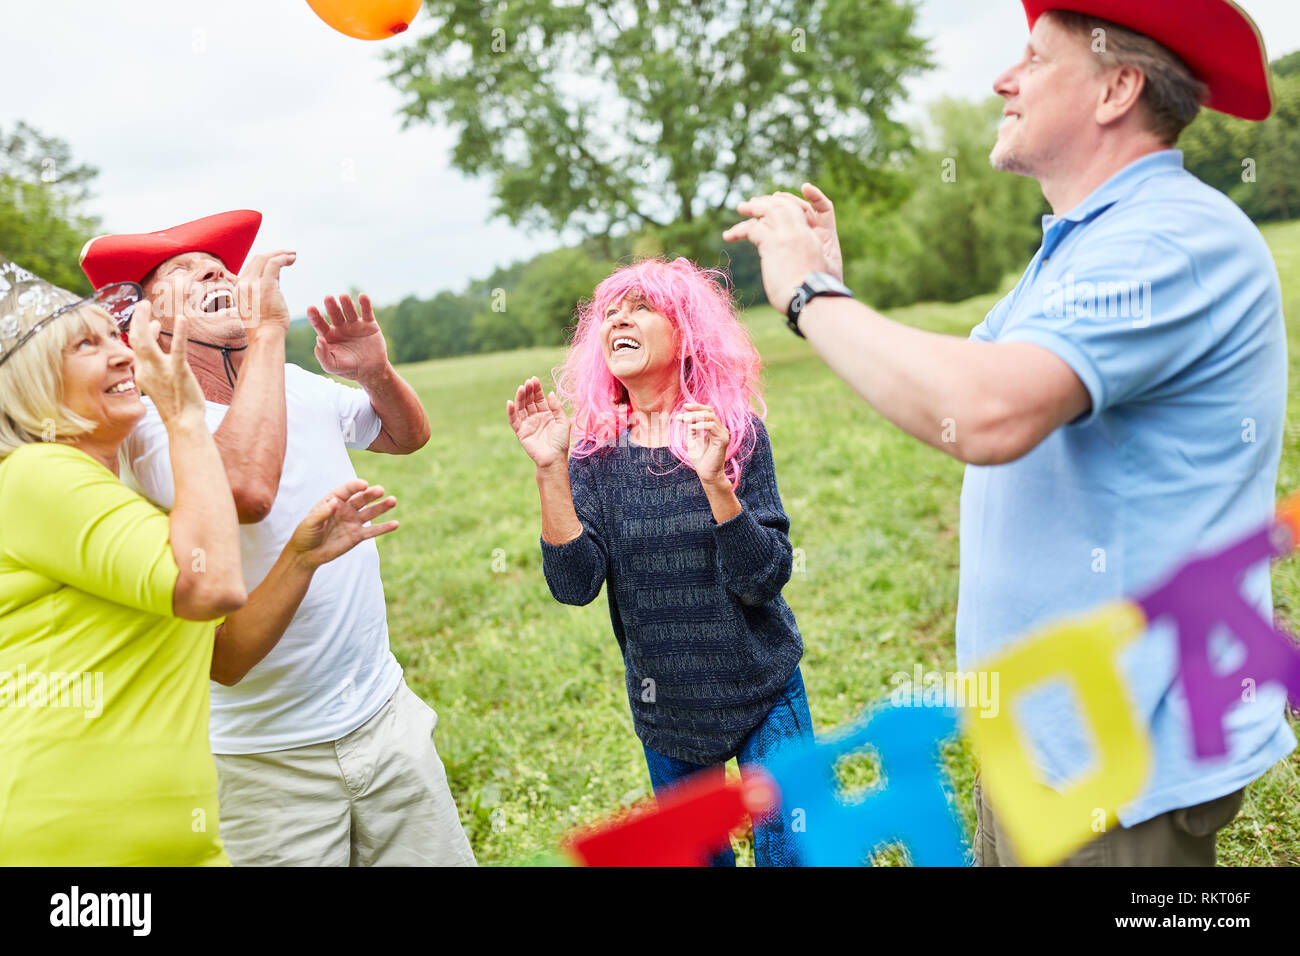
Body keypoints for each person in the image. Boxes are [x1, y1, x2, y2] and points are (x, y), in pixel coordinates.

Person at [724, 0, 1295, 866]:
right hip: (1045, 736)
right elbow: (961, 383)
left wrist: (809, 296)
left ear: (1117, 87)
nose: (1003, 79)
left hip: (1118, 765)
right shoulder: (1080, 247)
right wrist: (837, 295)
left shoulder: (1167, 240)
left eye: (1032, 58)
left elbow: (990, 413)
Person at [80, 211, 475, 867]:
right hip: (265, 759)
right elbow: (244, 489)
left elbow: (407, 436)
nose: (216, 273)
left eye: (220, 269)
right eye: (185, 274)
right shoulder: (153, 423)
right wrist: (267, 329)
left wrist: (375, 370)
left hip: (384, 716)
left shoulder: (291, 384)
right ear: (149, 326)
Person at [0, 258, 397, 865]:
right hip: (77, 841)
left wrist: (299, 558)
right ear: (33, 383)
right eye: (87, 343)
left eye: (117, 335)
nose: (123, 353)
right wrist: (185, 414)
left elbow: (225, 655)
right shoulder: (36, 476)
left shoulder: (114, 491)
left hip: (179, 837)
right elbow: (212, 578)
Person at [507, 256, 811, 866]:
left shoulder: (733, 432)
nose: (618, 319)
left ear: (686, 334)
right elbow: (574, 585)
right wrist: (551, 471)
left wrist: (716, 483)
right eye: (610, 312)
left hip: (761, 686)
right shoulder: (594, 455)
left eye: (640, 307)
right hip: (665, 703)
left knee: (794, 854)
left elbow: (765, 578)